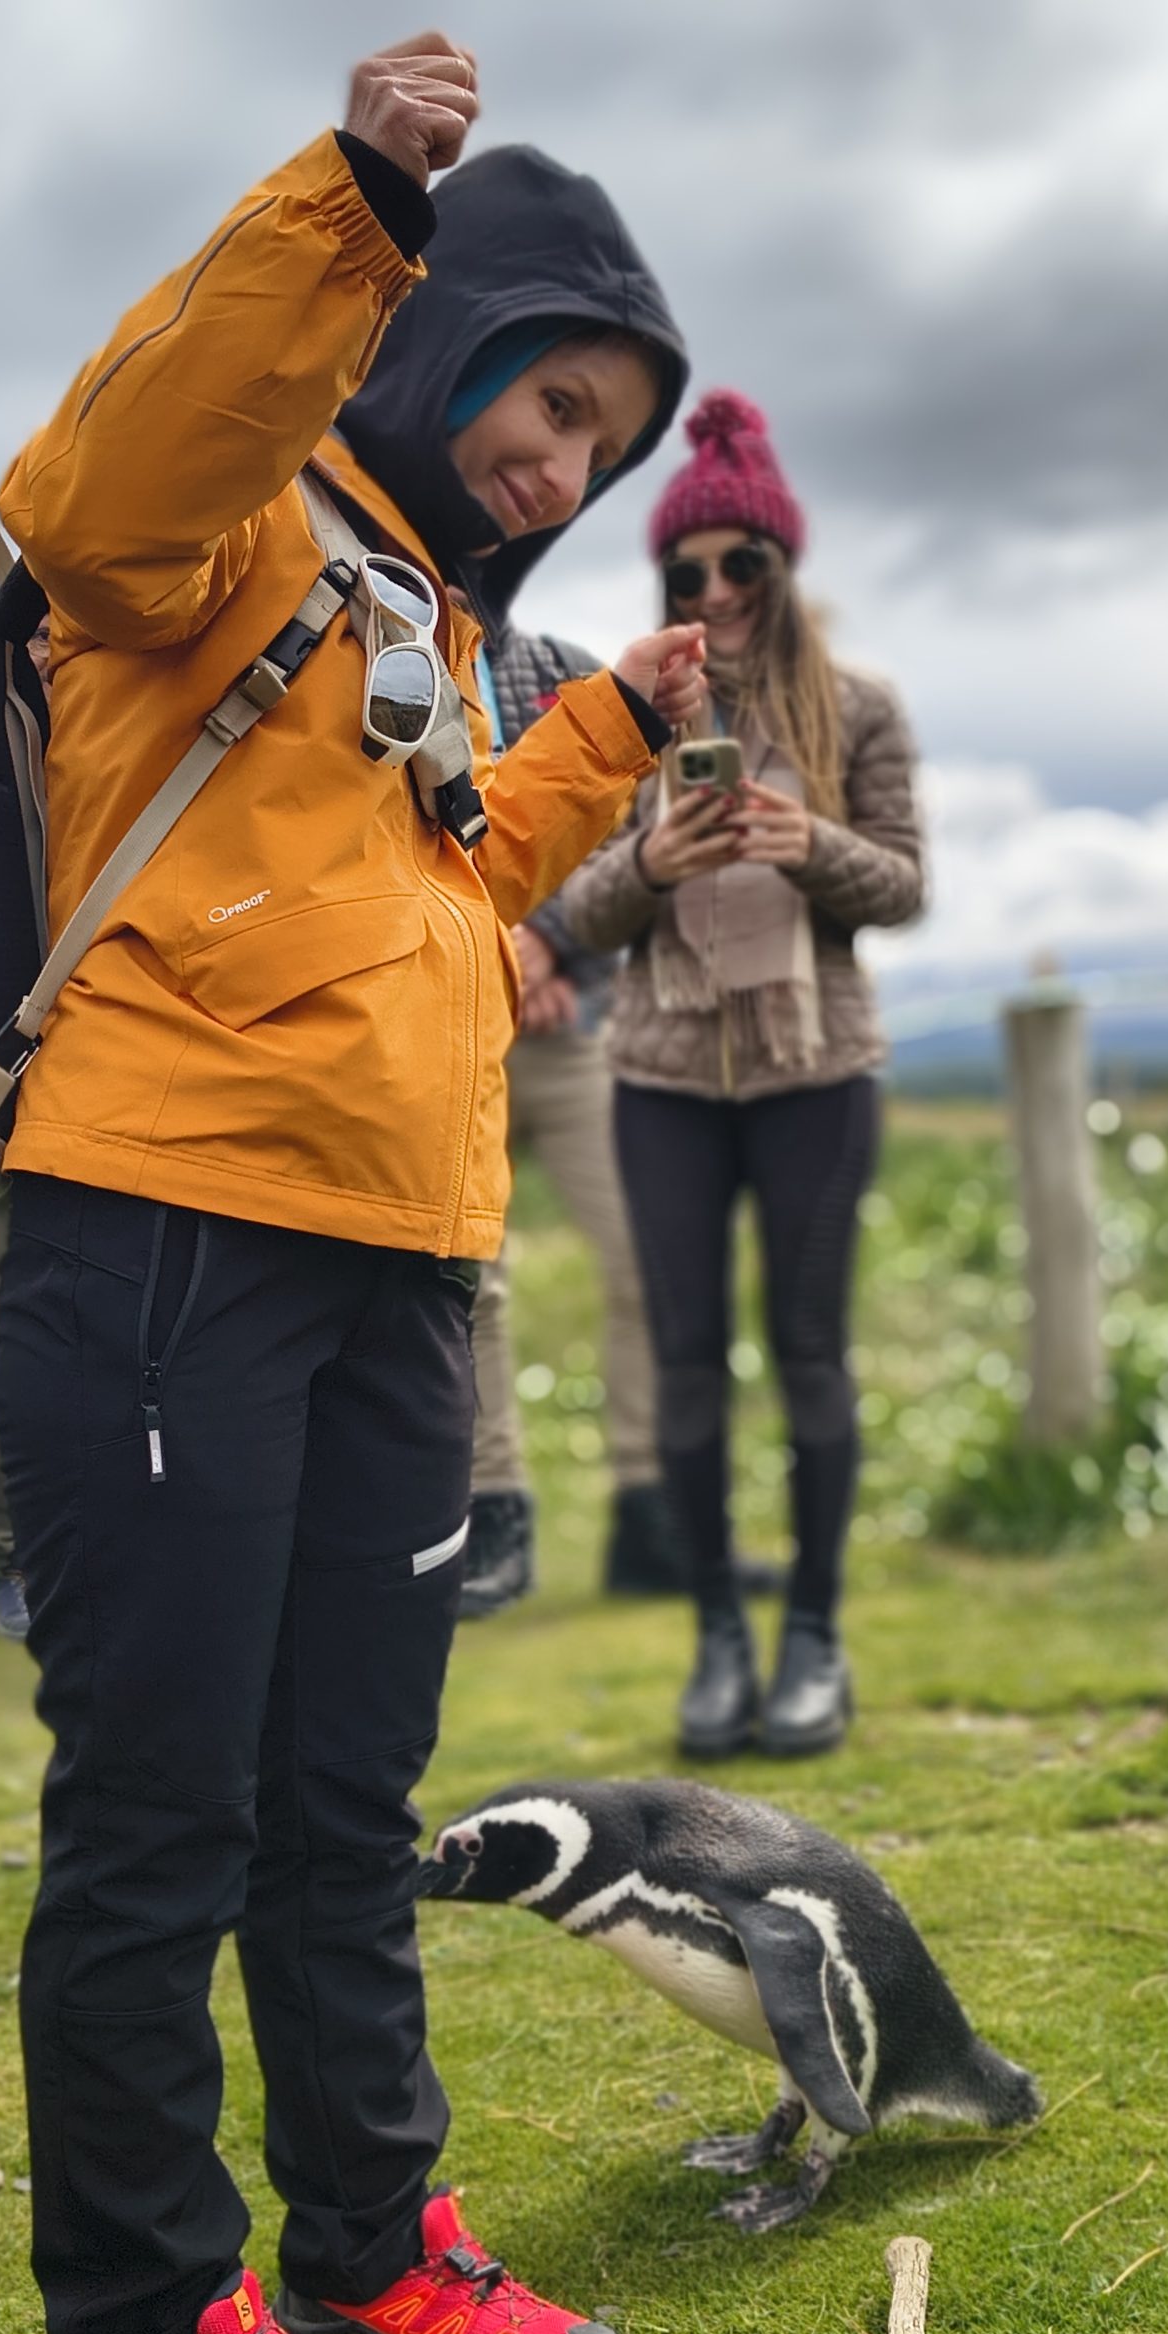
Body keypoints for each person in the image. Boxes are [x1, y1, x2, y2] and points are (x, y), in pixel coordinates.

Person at [0, 36, 702, 2334]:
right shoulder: (216, 529)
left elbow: (437, 895)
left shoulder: (418, 612)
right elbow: (91, 482)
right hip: (168, 1232)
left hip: (398, 1257)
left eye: (608, 438)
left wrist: (602, 729)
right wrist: (355, 206)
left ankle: (370, 2244)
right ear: (442, 329)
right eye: (546, 393)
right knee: (160, 1815)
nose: (570, 460)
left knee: (338, 1803)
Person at [562, 391, 925, 1762]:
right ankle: (719, 1639)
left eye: (739, 565)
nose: (712, 590)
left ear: (781, 570)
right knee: (687, 1370)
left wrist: (801, 841)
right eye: (686, 571)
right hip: (658, 1081)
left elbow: (900, 886)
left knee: (814, 1359)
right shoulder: (631, 712)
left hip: (816, 1076)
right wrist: (653, 862)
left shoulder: (862, 711)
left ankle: (815, 1638)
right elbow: (572, 906)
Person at [459, 619, 686, 1618]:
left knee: (648, 1256)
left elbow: (634, 834)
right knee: (471, 1277)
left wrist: (548, 947)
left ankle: (652, 1512)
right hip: (458, 1028)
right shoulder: (389, 643)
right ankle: (489, 1515)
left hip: (579, 1026)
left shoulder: (559, 668)